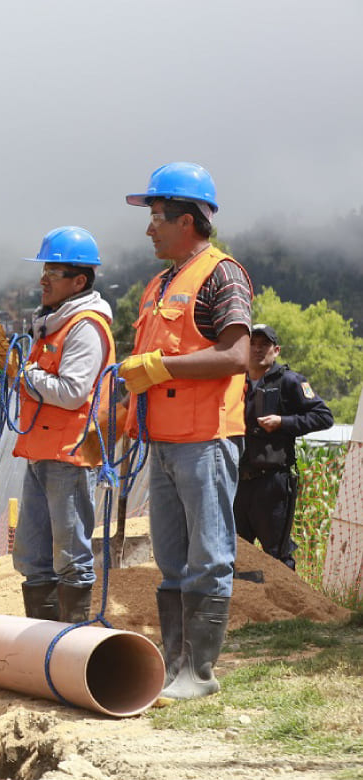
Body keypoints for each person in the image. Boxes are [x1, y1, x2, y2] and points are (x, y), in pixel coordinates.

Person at [120, 162, 253, 701]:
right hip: (165, 442)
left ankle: (199, 672)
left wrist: (165, 367)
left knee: (209, 558)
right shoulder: (158, 284)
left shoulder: (223, 274)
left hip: (206, 441)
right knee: (172, 562)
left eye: (157, 216)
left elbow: (237, 354)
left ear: (189, 220)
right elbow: (142, 364)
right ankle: (175, 664)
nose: (149, 227)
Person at [0, 226, 114, 623]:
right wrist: (14, 372)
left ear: (79, 280)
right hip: (42, 451)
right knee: (33, 557)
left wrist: (20, 373)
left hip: (70, 454)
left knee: (70, 558)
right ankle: (44, 642)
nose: (42, 280)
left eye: (52, 272)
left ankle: (74, 643)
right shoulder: (52, 323)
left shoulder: (85, 326)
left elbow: (71, 391)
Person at [234, 323, 334, 569]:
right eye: (252, 344)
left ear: (276, 350)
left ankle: (289, 607)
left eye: (264, 345)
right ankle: (244, 606)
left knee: (276, 556)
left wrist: (283, 422)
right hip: (236, 482)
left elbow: (324, 416)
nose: (257, 350)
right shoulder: (234, 382)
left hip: (272, 484)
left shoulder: (289, 381)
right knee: (234, 554)